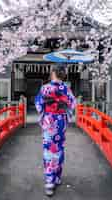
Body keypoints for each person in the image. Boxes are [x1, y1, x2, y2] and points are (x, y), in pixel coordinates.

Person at [34, 64, 76, 196]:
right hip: (61, 121)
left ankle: (49, 181)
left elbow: (38, 104)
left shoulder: (45, 88)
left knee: (48, 149)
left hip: (49, 121)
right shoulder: (66, 89)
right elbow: (72, 104)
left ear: (53, 73)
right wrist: (64, 111)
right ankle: (57, 177)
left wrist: (45, 113)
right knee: (59, 147)